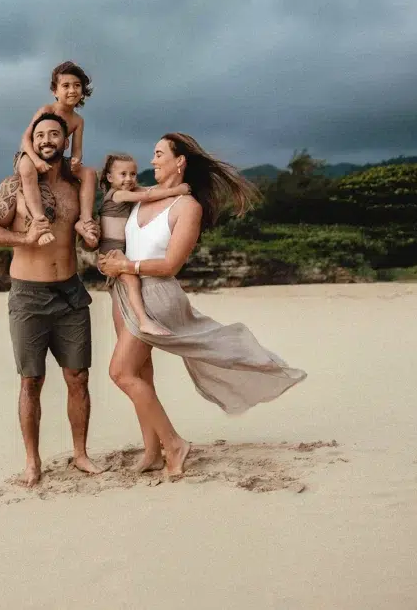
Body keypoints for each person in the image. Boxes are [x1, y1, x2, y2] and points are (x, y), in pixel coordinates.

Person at [98, 133, 307, 478]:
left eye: (158, 154)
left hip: (156, 293)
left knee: (120, 372)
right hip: (123, 291)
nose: (151, 161)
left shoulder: (187, 207)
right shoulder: (141, 200)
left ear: (179, 161)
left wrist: (128, 266)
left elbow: (169, 265)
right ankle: (152, 450)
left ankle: (173, 443)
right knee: (140, 372)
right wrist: (110, 256)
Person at [0, 112, 103, 487]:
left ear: (66, 141)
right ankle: (32, 462)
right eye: (41, 135)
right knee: (31, 381)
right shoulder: (13, 186)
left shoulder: (75, 187)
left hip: (70, 293)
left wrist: (91, 233)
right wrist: (25, 239)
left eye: (55, 134)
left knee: (78, 377)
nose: (48, 140)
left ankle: (80, 454)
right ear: (31, 142)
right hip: (29, 297)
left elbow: (87, 234)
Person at [97, 151, 190, 337]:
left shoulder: (128, 192)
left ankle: (135, 319)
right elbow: (147, 196)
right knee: (132, 281)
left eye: (133, 174)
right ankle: (143, 321)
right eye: (122, 174)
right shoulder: (117, 195)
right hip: (111, 252)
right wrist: (176, 191)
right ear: (109, 177)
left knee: (126, 284)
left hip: (119, 252)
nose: (129, 179)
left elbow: (147, 190)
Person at [14, 61, 99, 249]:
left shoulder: (77, 120)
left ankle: (85, 220)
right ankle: (39, 220)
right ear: (55, 90)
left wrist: (76, 160)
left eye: (77, 86)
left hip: (57, 157)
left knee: (89, 173)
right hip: (32, 154)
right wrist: (36, 160)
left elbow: (76, 149)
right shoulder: (47, 110)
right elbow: (25, 139)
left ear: (83, 91)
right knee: (27, 167)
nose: (72, 90)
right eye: (66, 86)